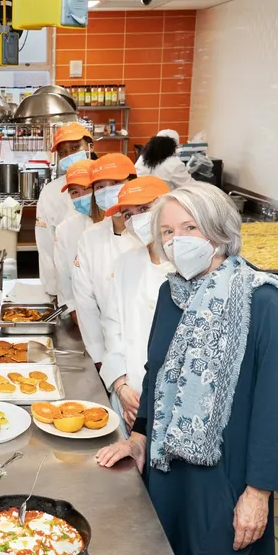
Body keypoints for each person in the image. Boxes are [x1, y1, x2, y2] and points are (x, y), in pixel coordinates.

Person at [94, 184, 278, 555]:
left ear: (218, 230)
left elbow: (276, 410)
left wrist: (258, 494)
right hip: (166, 472)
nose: (178, 241)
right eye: (168, 231)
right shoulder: (170, 295)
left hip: (226, 479)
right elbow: (155, 375)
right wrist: (138, 436)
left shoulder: (263, 300)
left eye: (189, 227)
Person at [98, 176, 174, 426]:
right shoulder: (125, 264)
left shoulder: (186, 267)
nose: (136, 219)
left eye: (144, 209)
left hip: (174, 402)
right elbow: (112, 327)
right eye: (127, 214)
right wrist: (120, 385)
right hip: (129, 395)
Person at [71, 154, 142, 368]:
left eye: (116, 183)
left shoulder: (151, 234)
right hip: (107, 349)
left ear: (133, 182)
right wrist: (100, 357)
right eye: (100, 186)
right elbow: (85, 302)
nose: (108, 190)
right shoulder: (90, 237)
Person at [35, 122, 95, 300]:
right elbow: (45, 245)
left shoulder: (108, 184)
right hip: (66, 283)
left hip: (104, 283)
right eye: (63, 153)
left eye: (76, 147)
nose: (69, 155)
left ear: (89, 146)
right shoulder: (50, 193)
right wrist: (54, 289)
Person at [52, 159, 95, 316]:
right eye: (75, 192)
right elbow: (64, 283)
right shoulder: (65, 230)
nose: (81, 196)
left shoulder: (119, 226)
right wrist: (77, 316)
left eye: (86, 189)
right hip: (81, 318)